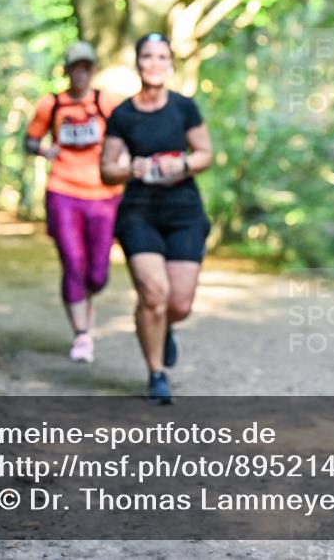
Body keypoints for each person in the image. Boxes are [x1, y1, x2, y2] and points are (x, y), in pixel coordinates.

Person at [100, 33, 213, 404]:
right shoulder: (123, 115)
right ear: (138, 62)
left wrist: (179, 163)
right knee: (153, 294)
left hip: (184, 212)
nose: (154, 63)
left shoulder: (184, 108)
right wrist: (132, 167)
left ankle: (163, 329)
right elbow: (107, 169)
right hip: (139, 213)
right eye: (147, 56)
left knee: (178, 305)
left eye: (162, 56)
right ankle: (156, 374)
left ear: (171, 63)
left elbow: (205, 154)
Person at [24, 41, 124, 364]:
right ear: (67, 71)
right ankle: (81, 334)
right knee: (72, 261)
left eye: (86, 68)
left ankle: (85, 303)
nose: (80, 74)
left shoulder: (106, 102)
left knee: (97, 274)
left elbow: (129, 134)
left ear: (92, 71)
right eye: (75, 68)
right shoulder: (50, 104)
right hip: (63, 191)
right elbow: (30, 140)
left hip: (104, 195)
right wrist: (42, 150)